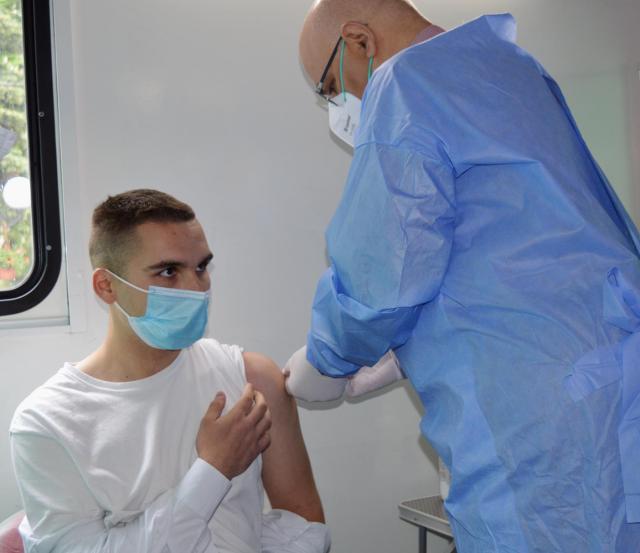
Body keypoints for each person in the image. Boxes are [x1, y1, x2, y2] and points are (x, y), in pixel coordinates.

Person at [286, 0, 640, 551]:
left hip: (542, 413)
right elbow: (508, 246)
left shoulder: (405, 84)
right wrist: (404, 354)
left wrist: (325, 357)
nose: (339, 107)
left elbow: (381, 270)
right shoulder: (512, 68)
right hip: (610, 376)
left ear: (358, 40)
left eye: (331, 87)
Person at [10, 189, 331, 553]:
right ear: (107, 285)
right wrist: (212, 471)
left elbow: (304, 524)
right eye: (168, 271)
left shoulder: (251, 378)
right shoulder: (47, 421)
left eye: (201, 267)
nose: (196, 288)